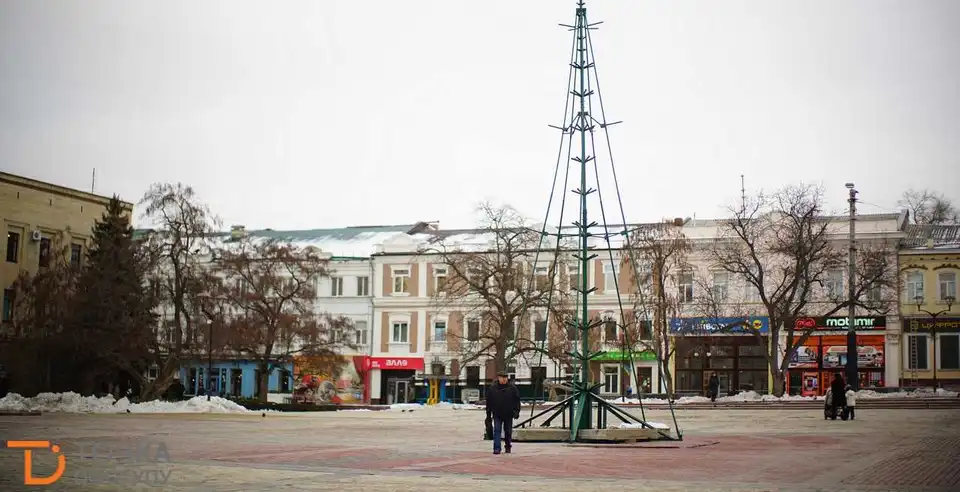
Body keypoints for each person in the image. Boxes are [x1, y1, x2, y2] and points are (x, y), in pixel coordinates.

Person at [486, 371, 521, 455]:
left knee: (508, 431)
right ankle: (497, 448)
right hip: (497, 413)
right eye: (502, 377)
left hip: (508, 414)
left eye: (505, 378)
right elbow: (489, 402)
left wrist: (516, 411)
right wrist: (488, 414)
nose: (504, 379)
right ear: (498, 378)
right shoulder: (492, 388)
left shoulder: (512, 388)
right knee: (497, 430)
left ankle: (508, 446)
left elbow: (517, 400)